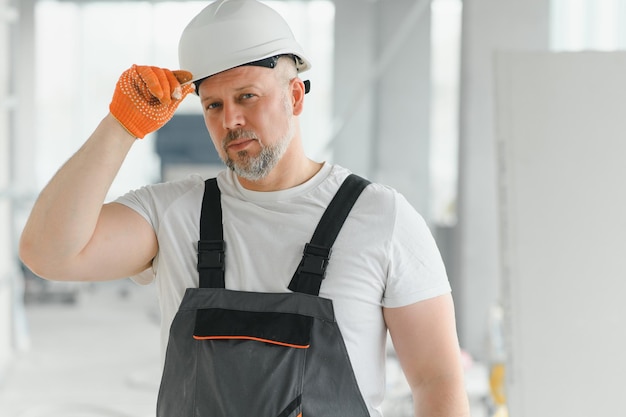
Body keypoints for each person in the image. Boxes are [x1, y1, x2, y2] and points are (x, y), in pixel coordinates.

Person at [19, 0, 470, 416]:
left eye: (247, 97)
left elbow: (437, 381)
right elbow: (47, 253)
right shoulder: (174, 213)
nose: (229, 120)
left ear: (294, 97)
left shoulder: (380, 218)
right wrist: (121, 126)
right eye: (213, 104)